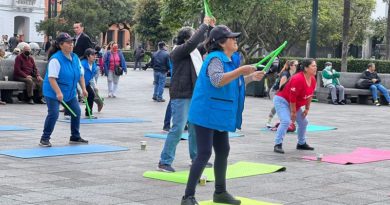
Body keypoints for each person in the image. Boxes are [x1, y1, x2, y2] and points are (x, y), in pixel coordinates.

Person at [181, 25, 265, 205]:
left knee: (223, 150)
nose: (235, 40)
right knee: (204, 153)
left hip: (218, 112)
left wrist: (251, 77)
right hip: (206, 112)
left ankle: (220, 192)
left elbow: (232, 82)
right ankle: (188, 197)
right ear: (221, 42)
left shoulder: (229, 59)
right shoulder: (215, 58)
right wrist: (242, 70)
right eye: (231, 37)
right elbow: (218, 80)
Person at [157, 16, 215, 173]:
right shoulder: (178, 51)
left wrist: (210, 28)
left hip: (194, 94)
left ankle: (196, 158)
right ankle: (165, 161)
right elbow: (193, 43)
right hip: (182, 94)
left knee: (195, 128)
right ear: (187, 38)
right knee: (177, 128)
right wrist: (203, 25)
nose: (197, 36)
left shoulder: (193, 51)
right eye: (193, 34)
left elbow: (207, 43)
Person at [40, 32, 89, 147]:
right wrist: (58, 92)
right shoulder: (56, 59)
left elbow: (80, 74)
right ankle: (45, 138)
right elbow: (52, 78)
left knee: (76, 112)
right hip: (53, 92)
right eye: (68, 43)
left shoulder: (75, 57)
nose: (71, 45)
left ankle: (75, 136)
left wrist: (84, 89)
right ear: (61, 45)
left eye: (72, 42)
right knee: (54, 114)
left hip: (69, 92)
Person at [273, 58, 317, 154]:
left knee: (304, 122)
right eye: (313, 66)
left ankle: (301, 143)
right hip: (282, 100)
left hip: (294, 104)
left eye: (315, 66)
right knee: (285, 121)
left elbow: (310, 95)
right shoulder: (298, 78)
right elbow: (292, 97)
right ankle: (277, 144)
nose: (315, 68)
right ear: (306, 68)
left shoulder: (313, 80)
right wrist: (293, 112)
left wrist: (307, 108)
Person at [266, 60, 298, 127]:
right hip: (275, 92)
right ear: (291, 66)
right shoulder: (285, 74)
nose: (297, 67)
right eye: (296, 65)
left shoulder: (293, 74)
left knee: (286, 106)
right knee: (278, 106)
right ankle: (269, 121)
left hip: (282, 93)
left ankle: (288, 121)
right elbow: (281, 88)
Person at [81, 48, 99, 118]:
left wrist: (95, 87)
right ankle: (68, 113)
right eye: (92, 55)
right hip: (76, 83)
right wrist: (81, 90)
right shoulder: (82, 64)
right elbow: (78, 77)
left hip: (86, 83)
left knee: (91, 94)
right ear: (87, 56)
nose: (95, 56)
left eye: (95, 55)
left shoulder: (94, 65)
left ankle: (88, 113)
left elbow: (92, 77)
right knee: (73, 97)